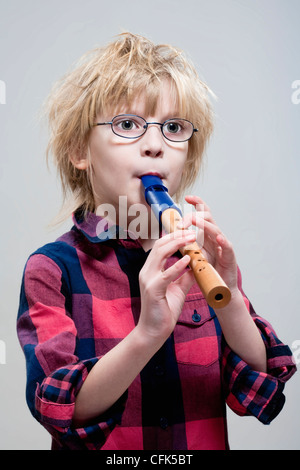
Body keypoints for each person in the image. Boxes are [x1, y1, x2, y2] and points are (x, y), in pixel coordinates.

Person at [17, 32, 296, 451]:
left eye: (173, 128)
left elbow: (259, 382)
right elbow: (60, 408)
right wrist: (147, 334)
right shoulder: (52, 269)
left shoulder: (202, 260)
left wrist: (232, 296)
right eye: (127, 125)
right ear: (80, 150)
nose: (154, 146)